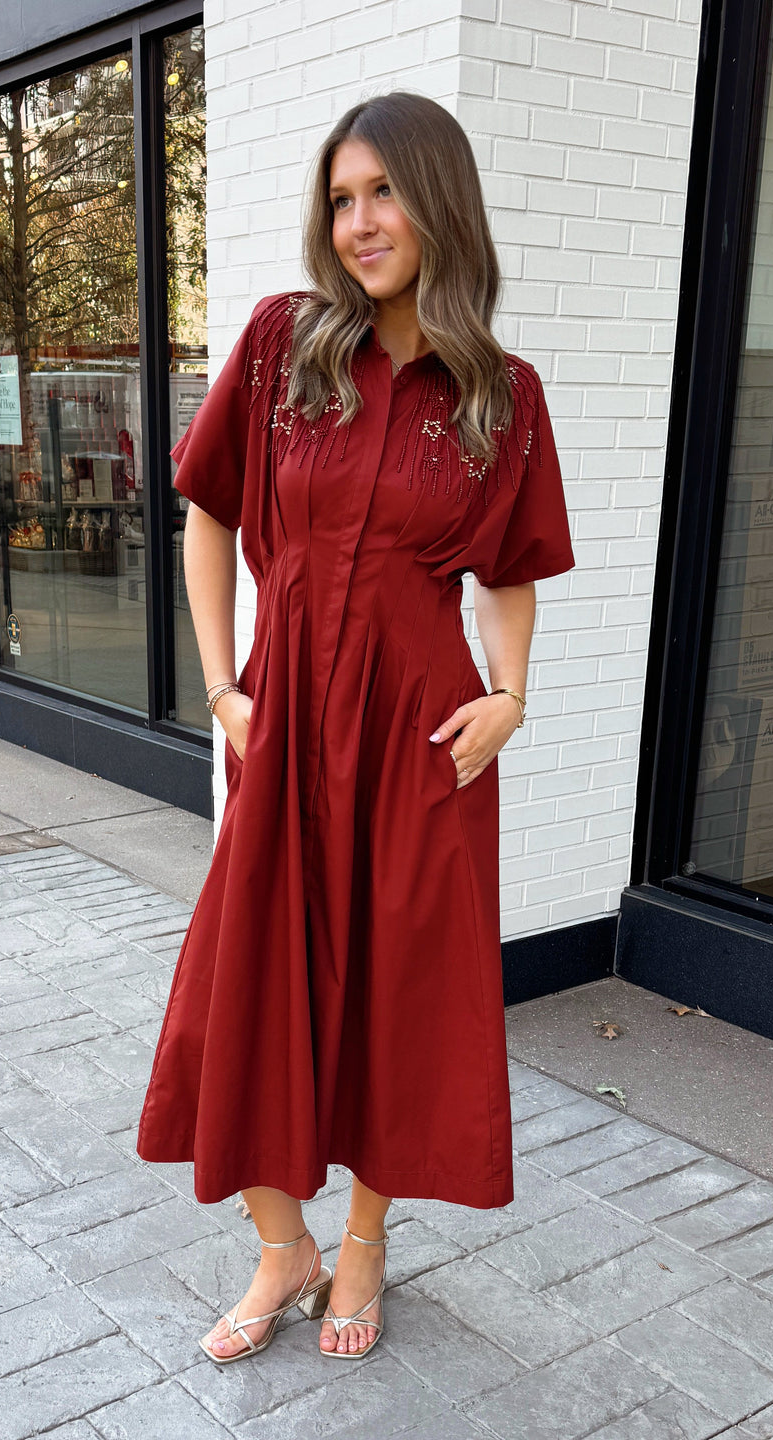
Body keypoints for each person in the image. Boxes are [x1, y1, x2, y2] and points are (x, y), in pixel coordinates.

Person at [137, 90, 575, 1364]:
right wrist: (224, 688)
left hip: (419, 738)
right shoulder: (284, 345)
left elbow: (511, 567)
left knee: (397, 996)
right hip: (283, 726)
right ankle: (286, 1244)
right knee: (237, 991)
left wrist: (511, 692)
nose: (360, 222)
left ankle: (367, 1244)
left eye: (383, 192)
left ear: (439, 202)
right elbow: (207, 514)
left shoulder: (502, 393)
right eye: (341, 198)